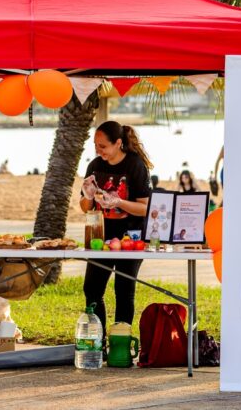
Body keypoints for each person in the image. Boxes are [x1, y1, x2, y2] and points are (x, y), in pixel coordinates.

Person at [80, 121, 153, 343]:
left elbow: (145, 207)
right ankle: (98, 340)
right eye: (96, 145)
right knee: (92, 289)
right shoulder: (94, 166)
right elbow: (85, 208)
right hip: (100, 237)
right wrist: (88, 196)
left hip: (131, 237)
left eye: (103, 146)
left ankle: (120, 344)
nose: (98, 150)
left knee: (123, 290)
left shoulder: (135, 166)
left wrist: (119, 201)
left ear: (118, 143)